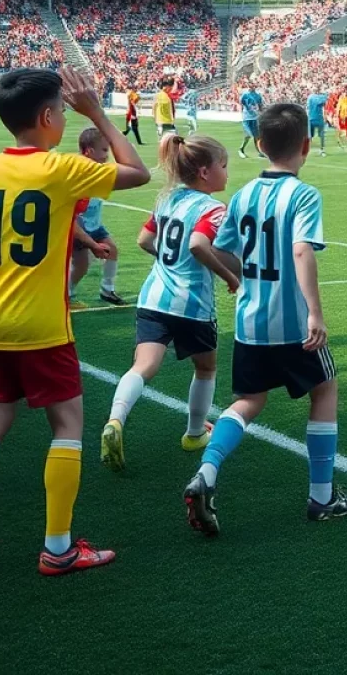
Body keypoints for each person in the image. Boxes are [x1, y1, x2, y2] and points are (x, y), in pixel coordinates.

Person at [0, 66, 149, 573]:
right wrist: (96, 112)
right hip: (42, 326)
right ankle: (58, 548)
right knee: (68, 422)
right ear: (50, 116)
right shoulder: (60, 169)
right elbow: (137, 172)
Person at [182, 103, 347, 533]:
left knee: (249, 401)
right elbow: (302, 249)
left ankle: (206, 473)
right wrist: (315, 314)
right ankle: (321, 498)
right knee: (325, 389)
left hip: (250, 322)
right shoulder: (304, 194)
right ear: (305, 145)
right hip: (290, 322)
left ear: (261, 145)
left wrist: (234, 277)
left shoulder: (243, 194)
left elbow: (220, 249)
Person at [101, 135, 237, 473]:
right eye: (223, 166)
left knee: (143, 366)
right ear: (204, 172)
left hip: (154, 297)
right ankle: (194, 433)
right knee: (205, 368)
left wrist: (166, 260)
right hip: (192, 303)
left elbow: (145, 239)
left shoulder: (170, 199)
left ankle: (116, 419)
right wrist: (229, 276)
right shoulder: (213, 208)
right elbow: (197, 245)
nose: (226, 173)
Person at [69, 128, 126, 307]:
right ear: (90, 151)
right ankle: (67, 294)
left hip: (94, 224)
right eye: (104, 150)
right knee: (81, 264)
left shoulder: (99, 171)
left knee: (112, 250)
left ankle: (107, 289)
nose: (106, 156)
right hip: (79, 227)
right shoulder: (77, 172)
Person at [239, 81, 265, 160]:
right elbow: (241, 104)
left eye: (253, 86)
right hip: (246, 118)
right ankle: (241, 149)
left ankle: (260, 152)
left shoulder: (258, 96)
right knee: (248, 135)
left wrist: (261, 114)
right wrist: (241, 115)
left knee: (257, 136)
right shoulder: (245, 95)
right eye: (250, 86)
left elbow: (260, 107)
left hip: (255, 118)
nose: (252, 88)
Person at [307, 89, 329, 157]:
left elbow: (308, 106)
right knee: (321, 135)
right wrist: (325, 95)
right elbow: (322, 103)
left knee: (309, 136)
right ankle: (322, 150)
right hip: (318, 118)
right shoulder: (319, 97)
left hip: (311, 118)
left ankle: (307, 150)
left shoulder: (310, 97)